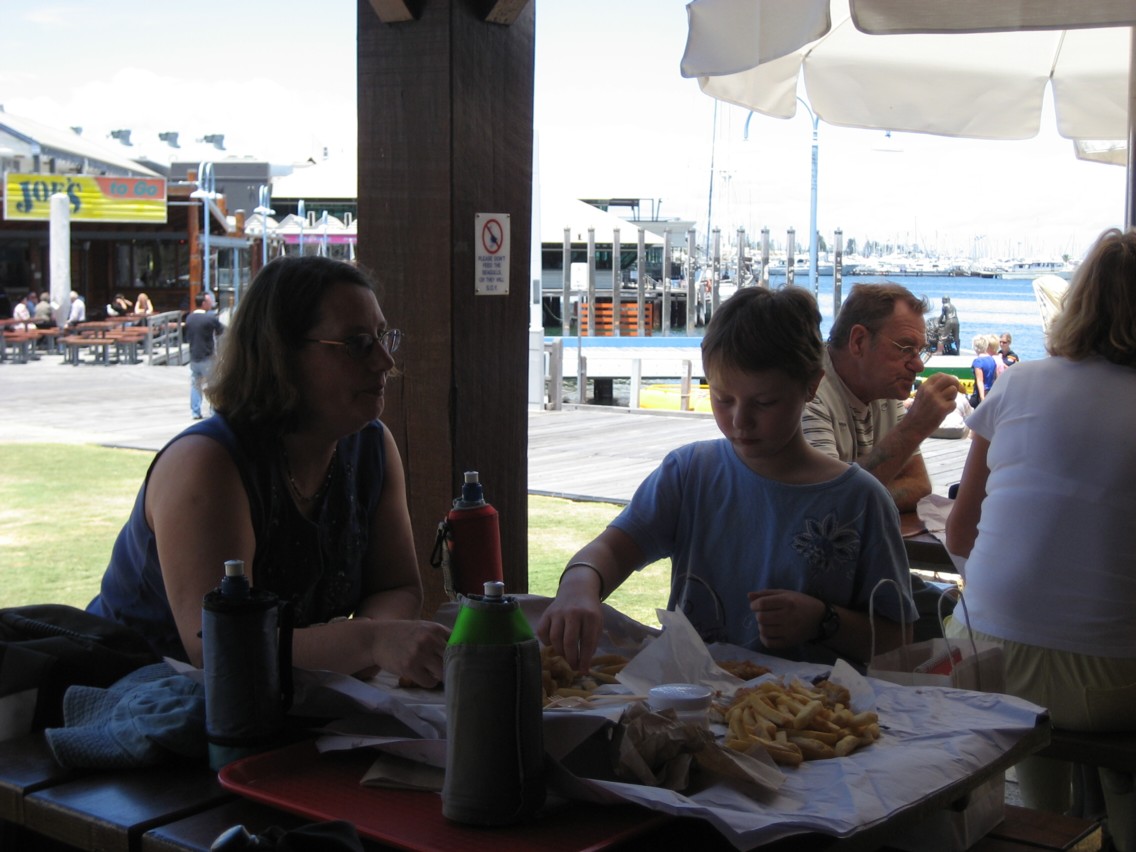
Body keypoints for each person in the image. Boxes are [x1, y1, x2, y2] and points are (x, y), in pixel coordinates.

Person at [87, 256, 448, 685]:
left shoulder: (370, 445)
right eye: (357, 344)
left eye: (383, 337)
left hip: (274, 709)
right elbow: (218, 649)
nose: (385, 361)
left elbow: (397, 588)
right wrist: (369, 644)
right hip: (135, 708)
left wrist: (373, 645)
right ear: (281, 355)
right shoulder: (207, 465)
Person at [538, 286, 917, 673]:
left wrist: (823, 620)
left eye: (764, 402)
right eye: (722, 398)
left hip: (811, 719)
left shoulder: (861, 500)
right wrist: (578, 587)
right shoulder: (689, 474)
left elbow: (896, 637)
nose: (740, 421)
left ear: (811, 385)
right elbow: (612, 551)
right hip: (691, 708)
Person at [945, 227, 1136, 850]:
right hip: (1113, 679)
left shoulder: (1018, 384)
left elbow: (960, 529)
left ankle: (1049, 829)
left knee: (1030, 696)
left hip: (983, 654)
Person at [801, 283, 961, 512]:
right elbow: (828, 504)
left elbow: (919, 485)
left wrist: (859, 499)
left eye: (919, 352)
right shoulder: (808, 394)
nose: (917, 365)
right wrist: (914, 427)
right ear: (858, 341)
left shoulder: (884, 389)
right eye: (905, 348)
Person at [185, 292, 225, 420]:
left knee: (196, 385)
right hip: (207, 356)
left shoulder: (189, 318)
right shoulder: (210, 319)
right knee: (212, 385)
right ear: (203, 303)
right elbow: (222, 331)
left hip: (194, 356)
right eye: (208, 301)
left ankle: (195, 411)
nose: (210, 304)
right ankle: (213, 411)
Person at [968, 334, 997, 407]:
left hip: (980, 394)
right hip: (991, 392)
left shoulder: (978, 362)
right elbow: (995, 377)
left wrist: (982, 398)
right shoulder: (992, 360)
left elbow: (980, 381)